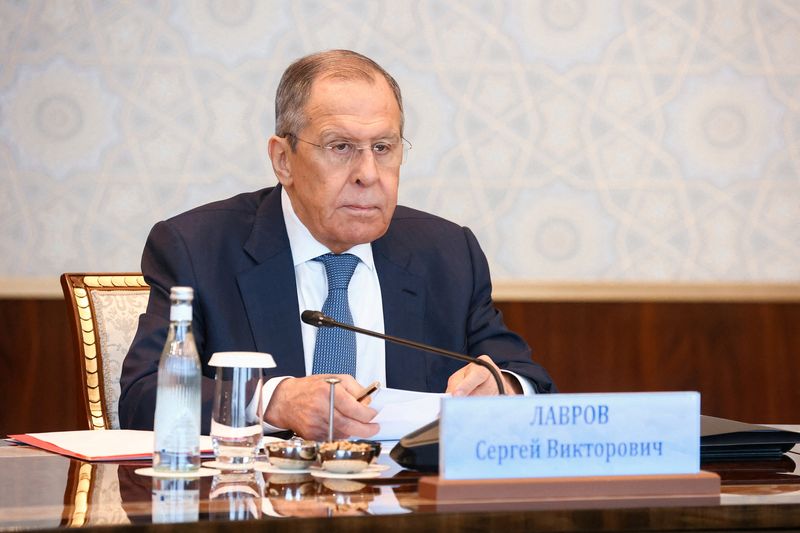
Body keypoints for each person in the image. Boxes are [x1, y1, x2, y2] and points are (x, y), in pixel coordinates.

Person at [119, 50, 556, 441]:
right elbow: (144, 397)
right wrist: (274, 400)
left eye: (383, 147)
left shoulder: (446, 252)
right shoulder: (197, 248)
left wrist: (503, 388)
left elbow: (527, 377)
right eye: (341, 146)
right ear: (282, 160)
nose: (368, 173)